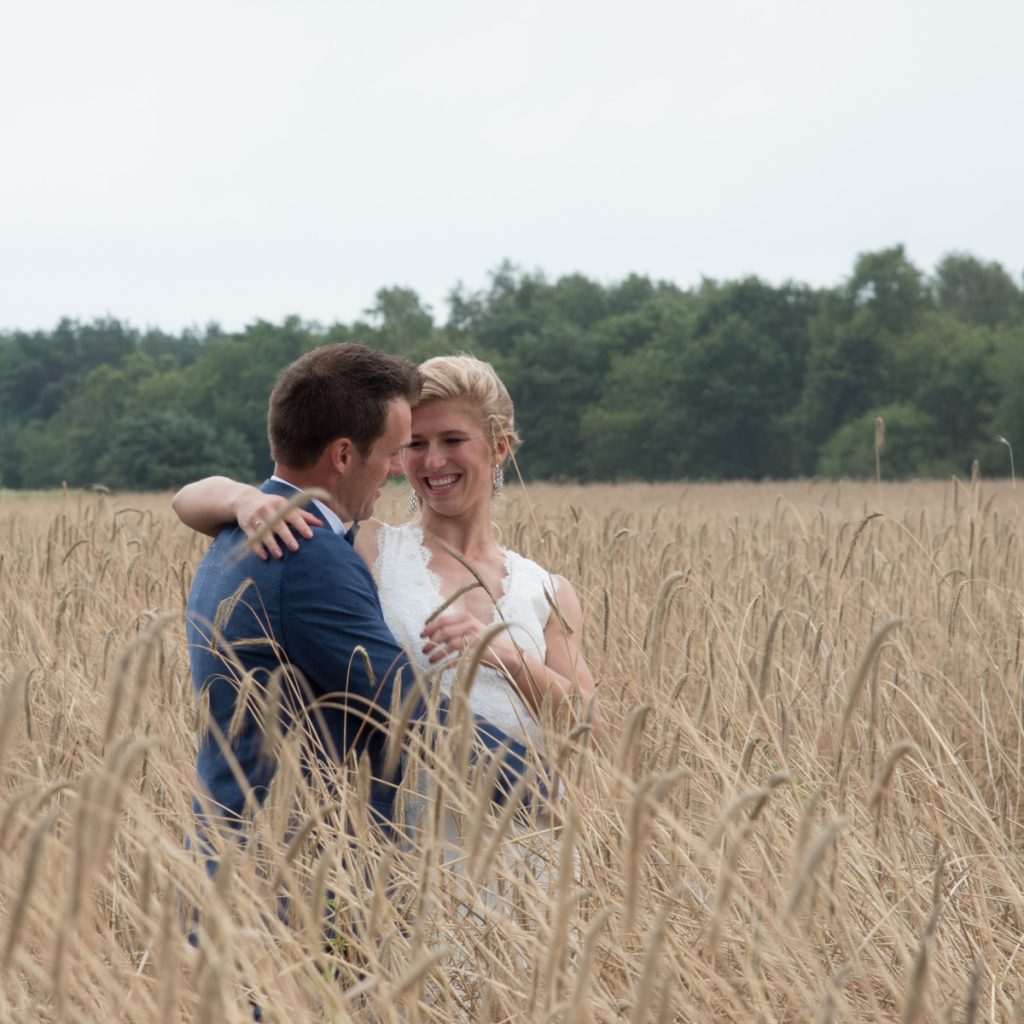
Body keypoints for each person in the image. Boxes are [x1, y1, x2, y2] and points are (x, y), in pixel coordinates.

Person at [181, 344, 537, 870]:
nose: (402, 468)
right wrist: (540, 788)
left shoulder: (246, 529)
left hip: (247, 860)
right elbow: (405, 705)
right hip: (287, 880)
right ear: (345, 456)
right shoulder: (308, 554)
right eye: (398, 450)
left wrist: (237, 497)